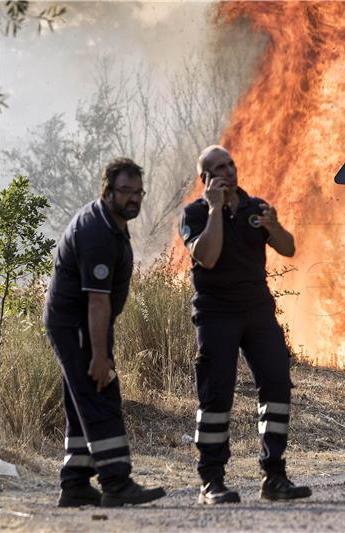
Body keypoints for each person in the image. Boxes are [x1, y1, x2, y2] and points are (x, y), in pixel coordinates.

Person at [180, 145, 311, 504]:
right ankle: (211, 481)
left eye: (231, 164)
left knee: (277, 385)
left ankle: (274, 475)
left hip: (257, 312)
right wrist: (214, 209)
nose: (229, 171)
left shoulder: (256, 208)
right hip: (215, 313)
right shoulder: (194, 213)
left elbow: (288, 248)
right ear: (204, 178)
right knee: (216, 395)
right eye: (219, 168)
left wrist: (273, 225)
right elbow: (206, 257)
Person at [43, 158, 166, 507]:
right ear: (107, 191)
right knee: (101, 392)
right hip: (78, 324)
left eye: (138, 192)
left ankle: (75, 483)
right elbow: (97, 302)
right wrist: (99, 356)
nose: (134, 199)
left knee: (81, 397)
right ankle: (116, 482)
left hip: (84, 322)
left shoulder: (111, 221)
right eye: (126, 191)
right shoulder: (96, 232)